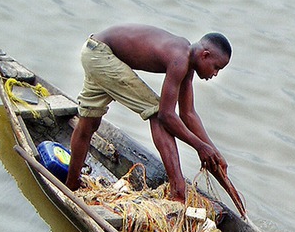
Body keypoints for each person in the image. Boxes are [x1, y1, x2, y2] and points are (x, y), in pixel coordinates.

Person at [66, 24, 240, 209]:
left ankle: (71, 184)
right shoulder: (179, 59)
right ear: (205, 55)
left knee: (89, 123)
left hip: (93, 50)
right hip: (103, 55)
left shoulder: (186, 59)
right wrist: (199, 146)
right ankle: (178, 193)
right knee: (156, 113)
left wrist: (213, 152)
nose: (215, 74)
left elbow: (188, 114)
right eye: (216, 67)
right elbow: (166, 115)